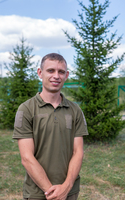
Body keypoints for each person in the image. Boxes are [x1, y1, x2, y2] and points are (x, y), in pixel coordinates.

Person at [13, 53, 88, 200]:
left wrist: (66, 187)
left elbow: (78, 152)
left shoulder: (75, 110)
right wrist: (52, 193)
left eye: (61, 72)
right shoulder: (26, 109)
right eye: (51, 70)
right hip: (38, 193)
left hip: (70, 191)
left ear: (66, 75)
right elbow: (27, 157)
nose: (56, 76)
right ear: (40, 73)